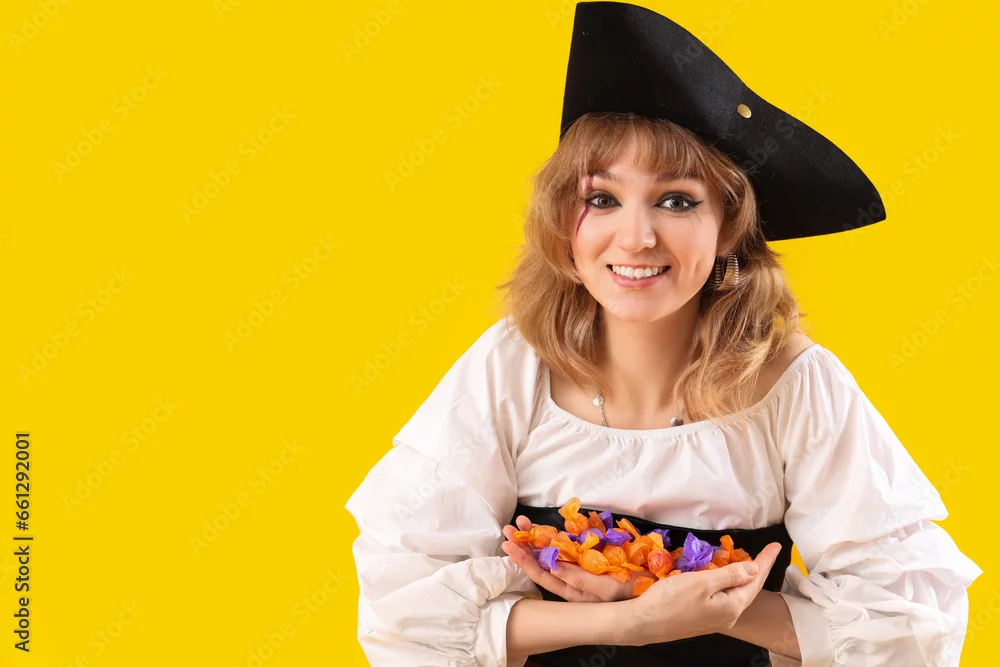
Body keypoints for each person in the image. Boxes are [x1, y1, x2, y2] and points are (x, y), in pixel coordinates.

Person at [344, 2, 982, 665]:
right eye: (602, 198)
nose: (636, 237)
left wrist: (667, 595)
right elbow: (404, 611)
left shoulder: (793, 384)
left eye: (677, 200)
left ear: (729, 226)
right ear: (563, 222)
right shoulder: (512, 367)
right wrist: (628, 622)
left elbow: (908, 627)